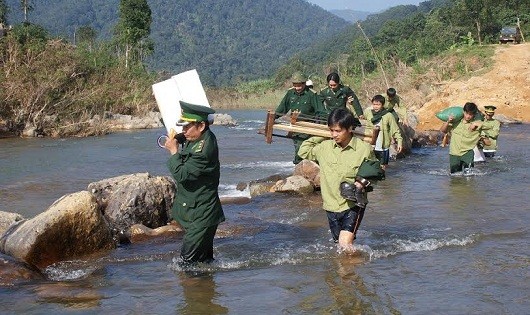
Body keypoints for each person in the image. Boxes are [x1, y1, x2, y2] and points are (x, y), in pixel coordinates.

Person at [298, 108, 383, 253]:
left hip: (353, 204)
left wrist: (361, 182)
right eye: (331, 130)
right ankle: (353, 270)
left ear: (350, 128)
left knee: (344, 243)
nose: (334, 134)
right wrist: (321, 135)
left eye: (338, 131)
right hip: (330, 205)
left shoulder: (363, 149)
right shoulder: (323, 148)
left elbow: (376, 171)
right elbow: (303, 151)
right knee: (341, 248)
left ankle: (350, 272)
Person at [163, 101, 225, 265]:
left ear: (201, 126)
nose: (184, 131)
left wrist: (173, 151)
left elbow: (182, 174)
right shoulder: (202, 136)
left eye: (187, 127)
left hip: (201, 215)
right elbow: (187, 136)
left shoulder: (203, 150)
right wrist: (178, 138)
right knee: (204, 263)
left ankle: (197, 288)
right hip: (198, 211)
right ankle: (206, 289)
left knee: (185, 264)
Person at [275, 72, 322, 164]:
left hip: (308, 127)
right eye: (295, 85)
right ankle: (299, 166)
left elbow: (321, 111)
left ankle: (301, 165)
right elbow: (282, 108)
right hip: (295, 126)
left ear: (304, 83)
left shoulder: (312, 94)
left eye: (299, 86)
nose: (297, 88)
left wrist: (320, 125)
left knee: (303, 147)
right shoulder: (290, 93)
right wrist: (273, 118)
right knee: (297, 146)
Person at [440, 102, 486, 174]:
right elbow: (443, 130)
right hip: (454, 153)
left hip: (467, 153)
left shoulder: (476, 123)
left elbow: (486, 124)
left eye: (470, 114)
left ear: (474, 115)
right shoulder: (456, 122)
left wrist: (476, 124)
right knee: (454, 176)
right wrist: (448, 121)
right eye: (466, 113)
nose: (468, 116)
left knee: (469, 175)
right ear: (463, 112)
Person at [364, 95, 403, 170]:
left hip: (383, 146)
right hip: (370, 145)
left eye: (378, 105)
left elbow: (395, 129)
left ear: (382, 105)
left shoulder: (388, 115)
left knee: (383, 167)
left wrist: (399, 142)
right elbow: (360, 117)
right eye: (374, 104)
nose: (376, 107)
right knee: (370, 166)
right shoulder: (368, 113)